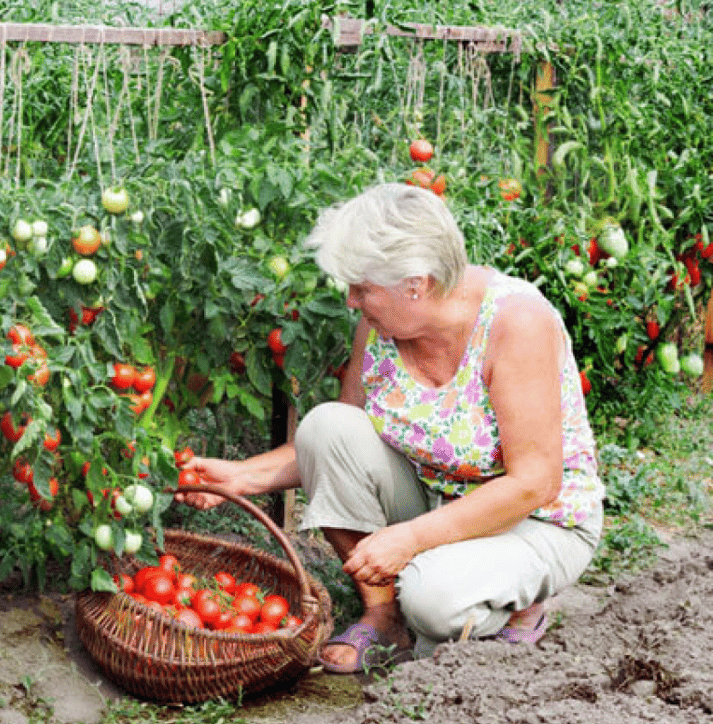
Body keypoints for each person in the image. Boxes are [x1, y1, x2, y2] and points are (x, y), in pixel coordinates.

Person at [179, 182, 604, 672]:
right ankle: (384, 618)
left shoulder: (515, 324)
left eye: (362, 288)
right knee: (327, 425)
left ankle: (517, 605)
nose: (352, 301)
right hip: (437, 497)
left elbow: (535, 482)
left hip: (535, 520)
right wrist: (241, 477)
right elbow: (337, 444)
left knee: (432, 599)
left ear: (416, 284)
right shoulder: (384, 324)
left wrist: (410, 540)